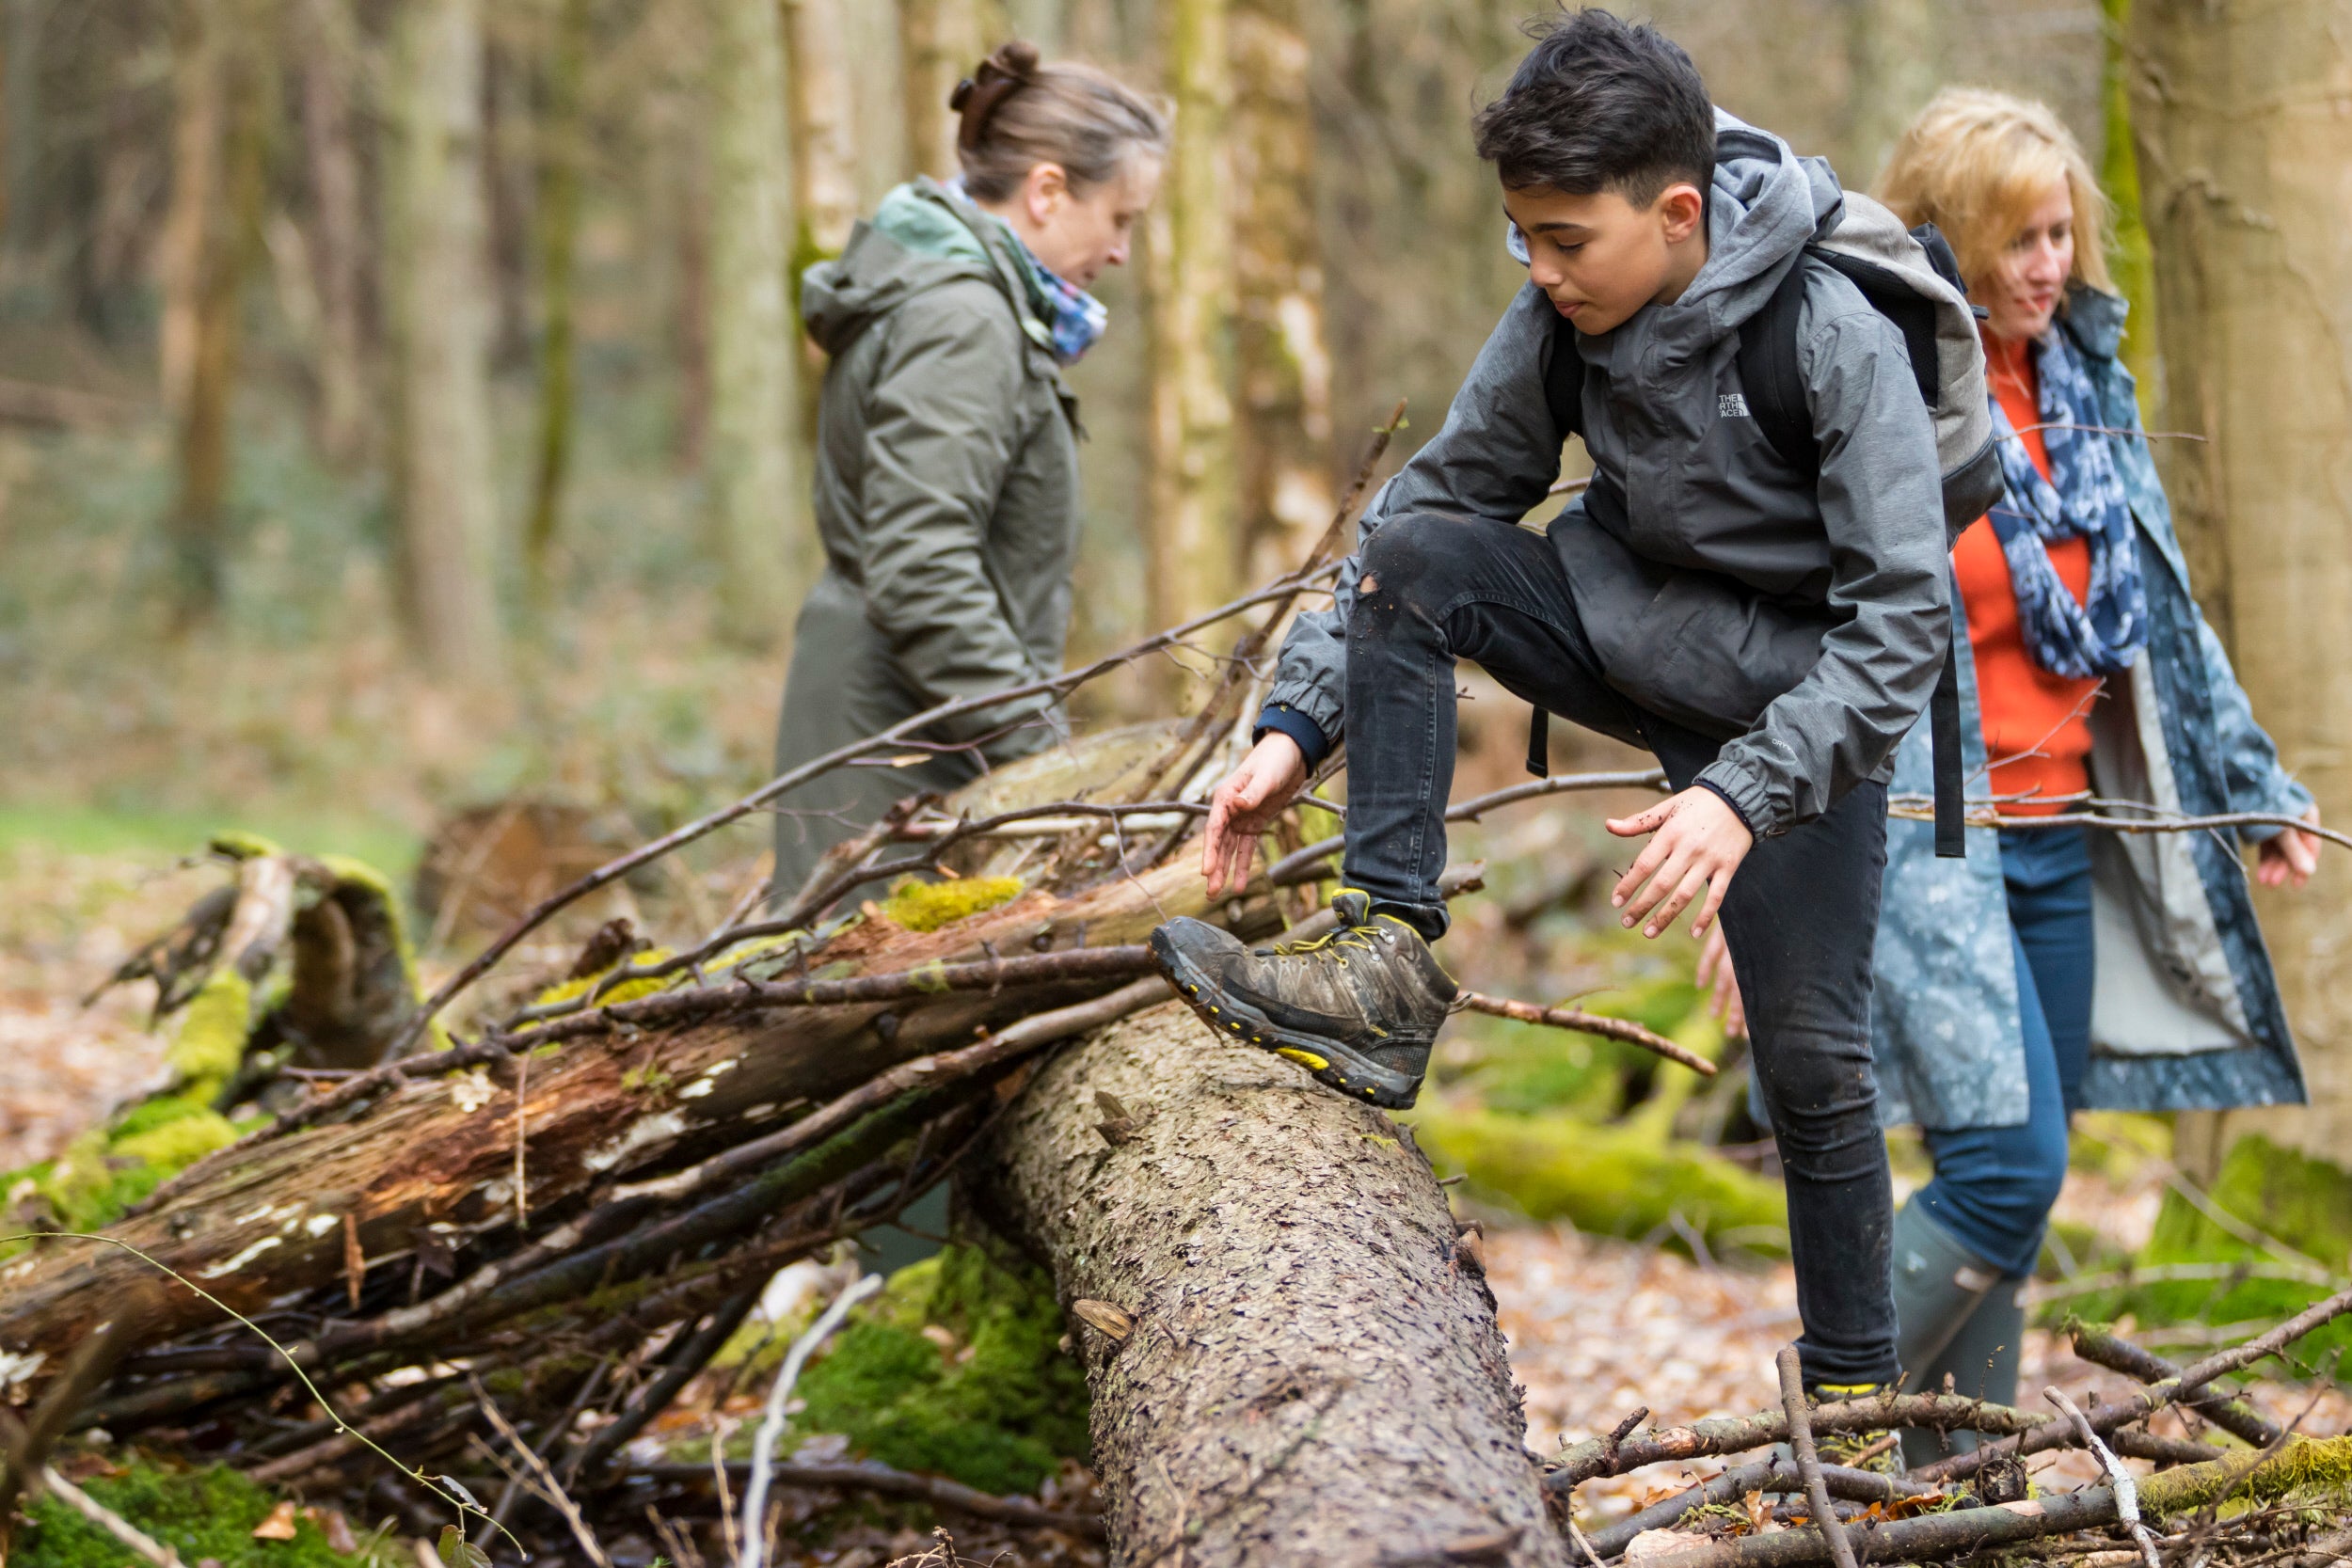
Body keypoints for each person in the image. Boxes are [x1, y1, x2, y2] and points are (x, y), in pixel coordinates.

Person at [1150, 9, 1968, 1399]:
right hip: (1617, 627)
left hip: (1792, 706)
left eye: (1565, 239)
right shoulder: (1558, 317)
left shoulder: (1830, 336)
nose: (1538, 268)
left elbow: (1906, 620)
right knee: (1416, 560)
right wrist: (1298, 718)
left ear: (1677, 210)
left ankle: (1853, 1412)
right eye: (1520, 236)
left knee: (1814, 1064)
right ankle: (1385, 964)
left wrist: (1741, 794)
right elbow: (1433, 507)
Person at [1694, 87, 2321, 1462]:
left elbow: (2161, 605)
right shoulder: (1879, 382)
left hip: (2065, 838)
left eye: (2060, 234)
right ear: (1948, 237)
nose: (2047, 264)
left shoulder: (2088, 385)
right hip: (1925, 837)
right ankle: (1783, 1443)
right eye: (2015, 237)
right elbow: (1782, 635)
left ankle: (1956, 1487)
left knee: (2012, 1186)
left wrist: (2258, 780)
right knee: (2002, 1168)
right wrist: (1759, 855)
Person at [770, 42, 1166, 902]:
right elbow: (923, 566)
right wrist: (1042, 756)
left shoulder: (963, 302)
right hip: (893, 744)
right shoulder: (964, 321)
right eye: (1122, 219)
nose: (1123, 252)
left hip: (914, 726)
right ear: (1049, 190)